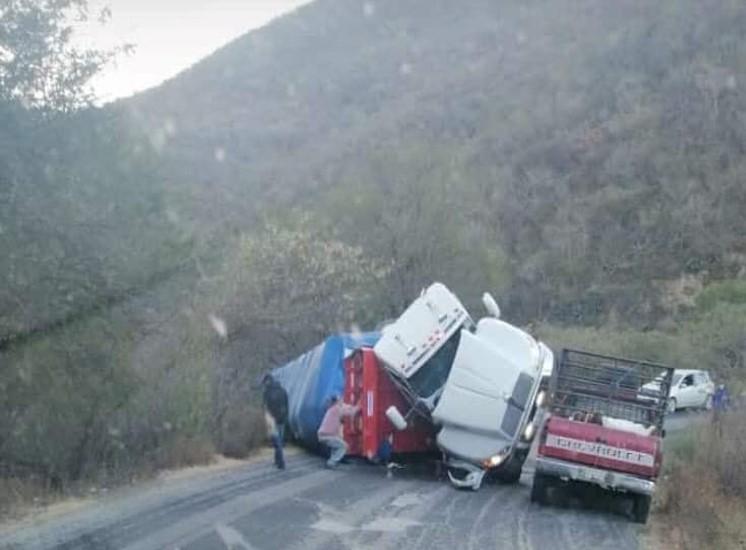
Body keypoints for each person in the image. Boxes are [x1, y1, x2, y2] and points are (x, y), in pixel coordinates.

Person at [317, 394, 360, 469]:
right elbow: (352, 412)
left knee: (336, 445)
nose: (342, 400)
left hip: (324, 435)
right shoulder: (337, 409)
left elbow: (346, 407)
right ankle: (331, 463)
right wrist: (360, 406)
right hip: (327, 435)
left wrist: (352, 406)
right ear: (337, 401)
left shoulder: (332, 408)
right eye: (340, 399)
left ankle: (334, 460)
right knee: (344, 446)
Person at [262, 375, 289, 470]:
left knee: (277, 441)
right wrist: (285, 416)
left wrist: (267, 418)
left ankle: (281, 462)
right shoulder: (283, 391)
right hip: (282, 418)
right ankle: (277, 460)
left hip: (272, 419)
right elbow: (287, 405)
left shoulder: (267, 392)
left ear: (267, 382)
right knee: (279, 441)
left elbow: (265, 407)